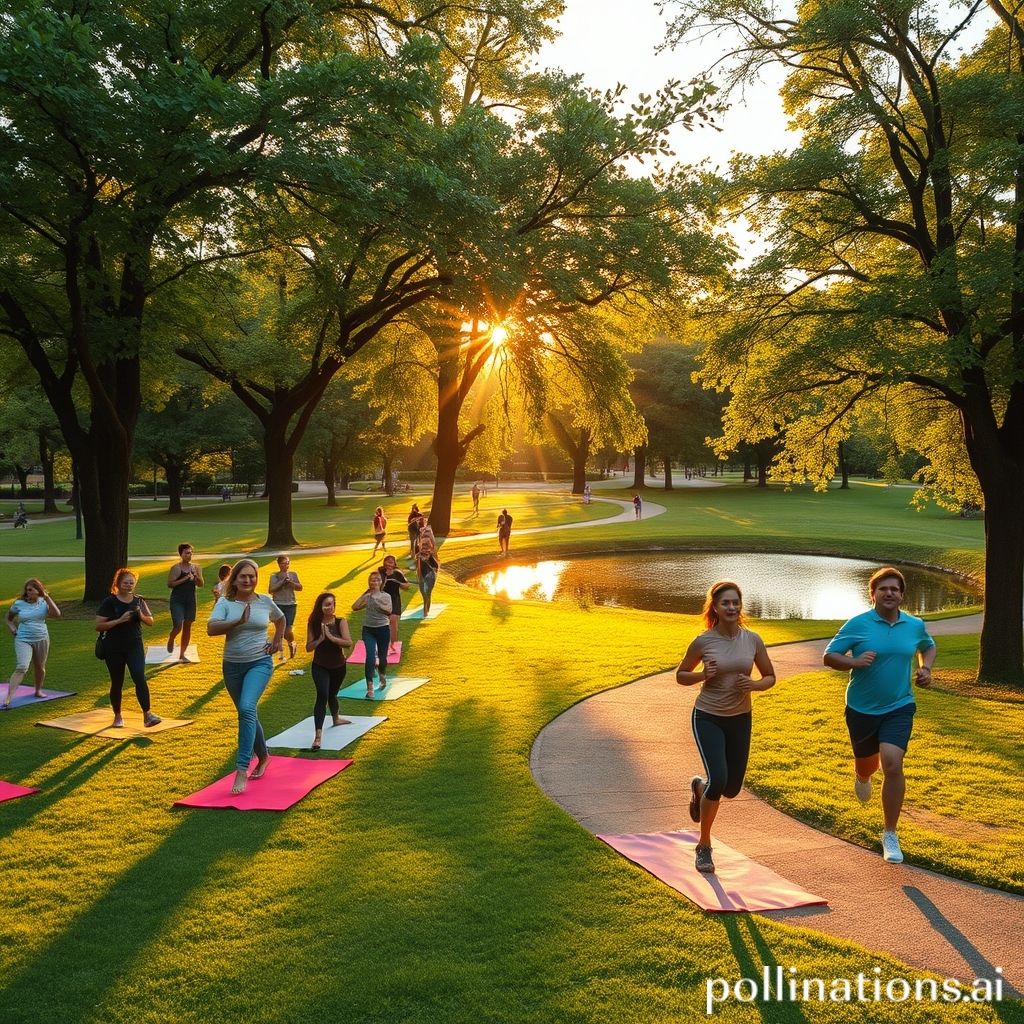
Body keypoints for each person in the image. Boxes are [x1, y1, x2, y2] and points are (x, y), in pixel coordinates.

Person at [823, 566, 936, 865]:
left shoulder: (914, 625)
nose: (889, 593)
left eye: (895, 589)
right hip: (861, 708)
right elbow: (829, 656)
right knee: (867, 765)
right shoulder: (858, 624)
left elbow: (928, 646)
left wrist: (926, 669)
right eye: (883, 588)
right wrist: (855, 662)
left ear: (901, 595)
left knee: (892, 762)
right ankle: (861, 775)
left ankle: (890, 833)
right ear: (872, 594)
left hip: (900, 705)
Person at [676, 580, 776, 875]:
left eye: (735, 602)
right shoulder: (703, 641)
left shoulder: (753, 639)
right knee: (718, 779)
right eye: (725, 603)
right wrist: (702, 675)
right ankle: (704, 846)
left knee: (731, 789)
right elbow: (681, 675)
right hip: (708, 716)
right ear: (715, 608)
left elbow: (770, 676)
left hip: (740, 718)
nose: (732, 607)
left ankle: (698, 787)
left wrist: (755, 685)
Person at [207, 559, 285, 794]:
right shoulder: (225, 603)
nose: (248, 580)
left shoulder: (265, 601)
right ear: (235, 579)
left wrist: (277, 640)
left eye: (252, 576)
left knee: (246, 708)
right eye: (244, 576)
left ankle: (242, 769)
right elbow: (211, 629)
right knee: (246, 711)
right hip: (232, 667)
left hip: (259, 664)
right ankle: (263, 756)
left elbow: (280, 619)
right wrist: (238, 621)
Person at [96, 569, 161, 728]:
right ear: (118, 584)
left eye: (132, 582)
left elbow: (151, 621)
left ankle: (147, 715)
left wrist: (141, 616)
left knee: (139, 677)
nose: (129, 585)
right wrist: (119, 620)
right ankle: (117, 716)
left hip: (134, 645)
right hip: (114, 647)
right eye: (125, 582)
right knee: (117, 681)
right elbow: (99, 626)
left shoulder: (139, 601)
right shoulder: (109, 602)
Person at [305, 592, 353, 750]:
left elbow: (348, 643)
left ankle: (336, 718)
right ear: (320, 606)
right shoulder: (313, 622)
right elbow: (308, 647)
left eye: (331, 604)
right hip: (320, 665)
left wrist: (331, 638)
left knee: (332, 693)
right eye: (325, 604)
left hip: (339, 666)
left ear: (334, 606)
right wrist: (319, 639)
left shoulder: (340, 621)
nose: (328, 607)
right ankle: (318, 736)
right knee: (323, 695)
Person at [3, 578, 61, 708]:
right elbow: (8, 619)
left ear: (38, 591)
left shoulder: (43, 603)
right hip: (23, 639)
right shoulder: (19, 603)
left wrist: (47, 598)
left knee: (40, 666)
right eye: (27, 590)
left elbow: (56, 614)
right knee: (22, 666)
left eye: (31, 590)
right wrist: (12, 627)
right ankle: (9, 697)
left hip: (41, 638)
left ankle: (38, 690)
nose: (28, 592)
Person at [352, 571, 393, 698]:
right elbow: (355, 607)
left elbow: (389, 611)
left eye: (377, 580)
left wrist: (376, 602)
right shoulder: (368, 596)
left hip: (383, 629)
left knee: (382, 657)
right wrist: (365, 594)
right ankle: (369, 687)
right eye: (372, 580)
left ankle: (382, 675)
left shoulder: (385, 596)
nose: (374, 582)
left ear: (381, 582)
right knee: (370, 656)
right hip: (368, 630)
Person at [166, 542, 204, 663]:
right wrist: (186, 578)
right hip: (177, 600)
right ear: (181, 554)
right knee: (178, 625)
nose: (190, 555)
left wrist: (196, 576)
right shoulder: (176, 568)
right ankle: (172, 637)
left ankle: (182, 654)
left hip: (190, 600)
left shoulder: (196, 568)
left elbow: (201, 584)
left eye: (191, 552)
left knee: (187, 626)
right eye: (187, 553)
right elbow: (170, 584)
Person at [269, 552, 303, 661]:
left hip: (291, 605)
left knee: (287, 631)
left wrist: (291, 583)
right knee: (279, 631)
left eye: (288, 563)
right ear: (279, 564)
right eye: (284, 563)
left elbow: (300, 587)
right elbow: (271, 590)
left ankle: (292, 643)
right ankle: (280, 654)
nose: (286, 565)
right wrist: (282, 582)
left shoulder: (293, 574)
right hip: (278, 604)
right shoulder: (274, 576)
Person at [380, 554, 411, 655]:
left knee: (393, 622)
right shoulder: (381, 572)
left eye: (391, 562)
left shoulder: (397, 573)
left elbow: (407, 586)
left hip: (394, 599)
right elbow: (373, 583)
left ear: (394, 564)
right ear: (384, 563)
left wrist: (398, 582)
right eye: (387, 561)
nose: (389, 563)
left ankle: (393, 645)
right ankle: (385, 644)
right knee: (384, 623)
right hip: (383, 600)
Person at [416, 531, 440, 619]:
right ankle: (426, 608)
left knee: (427, 593)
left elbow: (436, 566)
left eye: (427, 545)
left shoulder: (431, 555)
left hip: (429, 576)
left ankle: (426, 610)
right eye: (423, 546)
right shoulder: (418, 555)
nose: (425, 548)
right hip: (421, 577)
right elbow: (417, 568)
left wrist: (434, 573)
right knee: (424, 593)